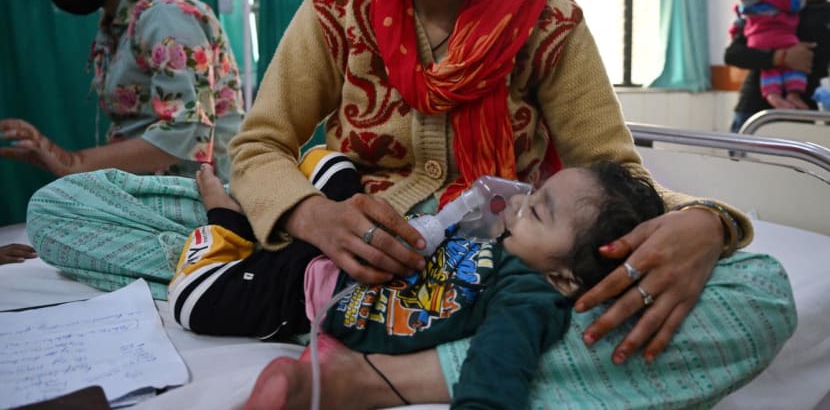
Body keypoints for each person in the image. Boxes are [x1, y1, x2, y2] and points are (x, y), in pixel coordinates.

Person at [25, 0, 793, 406]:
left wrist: (705, 223)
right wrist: (311, 214)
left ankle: (388, 376)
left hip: (496, 263)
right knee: (63, 207)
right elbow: (256, 146)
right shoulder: (338, 2)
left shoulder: (545, 16)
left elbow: (608, 175)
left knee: (761, 295)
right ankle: (304, 295)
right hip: (336, 245)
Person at [170, 157, 665, 409]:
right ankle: (277, 213)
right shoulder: (500, 243)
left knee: (194, 300)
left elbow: (497, 368)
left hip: (309, 293)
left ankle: (223, 213)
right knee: (332, 163)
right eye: (531, 193)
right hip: (353, 241)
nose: (515, 203)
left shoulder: (528, 295)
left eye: (535, 211)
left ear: (564, 276)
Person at [0, 0, 244, 181]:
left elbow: (187, 133)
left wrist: (73, 162)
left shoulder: (167, 16)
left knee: (50, 202)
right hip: (149, 185)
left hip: (204, 191)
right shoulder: (118, 23)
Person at [725, 0, 830, 132]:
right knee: (744, 164)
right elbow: (733, 54)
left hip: (805, 114)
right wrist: (780, 57)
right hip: (756, 115)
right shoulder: (767, 9)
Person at [729, 0, 808, 110]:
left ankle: (773, 95)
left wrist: (734, 33)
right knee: (793, 65)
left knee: (769, 69)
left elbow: (738, 21)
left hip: (757, 41)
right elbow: (794, 4)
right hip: (781, 37)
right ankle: (794, 94)